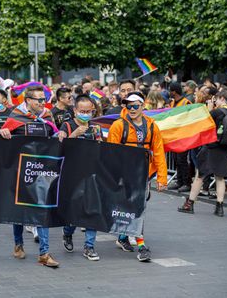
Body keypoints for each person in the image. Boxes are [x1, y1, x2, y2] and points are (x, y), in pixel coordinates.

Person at [0, 85, 60, 268]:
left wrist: (61, 134)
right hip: (19, 171)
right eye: (39, 100)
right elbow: (3, 140)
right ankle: (18, 244)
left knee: (42, 209)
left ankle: (44, 253)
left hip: (42, 172)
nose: (43, 103)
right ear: (28, 101)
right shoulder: (16, 116)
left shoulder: (47, 117)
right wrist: (3, 133)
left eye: (44, 99)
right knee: (20, 211)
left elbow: (55, 136)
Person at [107, 91, 167, 262]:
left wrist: (162, 178)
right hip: (123, 175)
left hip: (143, 174)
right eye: (128, 106)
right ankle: (141, 245)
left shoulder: (152, 126)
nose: (132, 109)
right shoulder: (118, 126)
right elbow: (111, 153)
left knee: (137, 207)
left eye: (135, 106)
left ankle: (124, 237)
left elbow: (159, 152)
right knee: (132, 207)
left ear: (143, 106)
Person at [178, 90, 227, 217]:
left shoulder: (216, 112)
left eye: (216, 99)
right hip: (224, 149)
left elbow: (204, 124)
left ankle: (189, 204)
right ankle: (219, 208)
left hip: (210, 148)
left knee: (200, 176)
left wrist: (209, 109)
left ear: (221, 98)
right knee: (219, 178)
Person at [57, 95, 101, 261]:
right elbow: (59, 149)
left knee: (91, 210)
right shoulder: (67, 125)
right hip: (71, 176)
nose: (85, 114)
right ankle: (67, 233)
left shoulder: (95, 128)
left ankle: (89, 246)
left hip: (91, 175)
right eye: (82, 111)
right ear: (75, 110)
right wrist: (74, 134)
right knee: (73, 212)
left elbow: (100, 148)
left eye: (88, 111)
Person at [168, 82, 192, 192]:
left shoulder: (186, 102)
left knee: (182, 159)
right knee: (176, 159)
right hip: (175, 135)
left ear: (174, 91)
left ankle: (187, 183)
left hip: (184, 135)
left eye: (170, 90)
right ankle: (179, 181)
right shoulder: (172, 102)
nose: (169, 92)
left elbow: (189, 117)